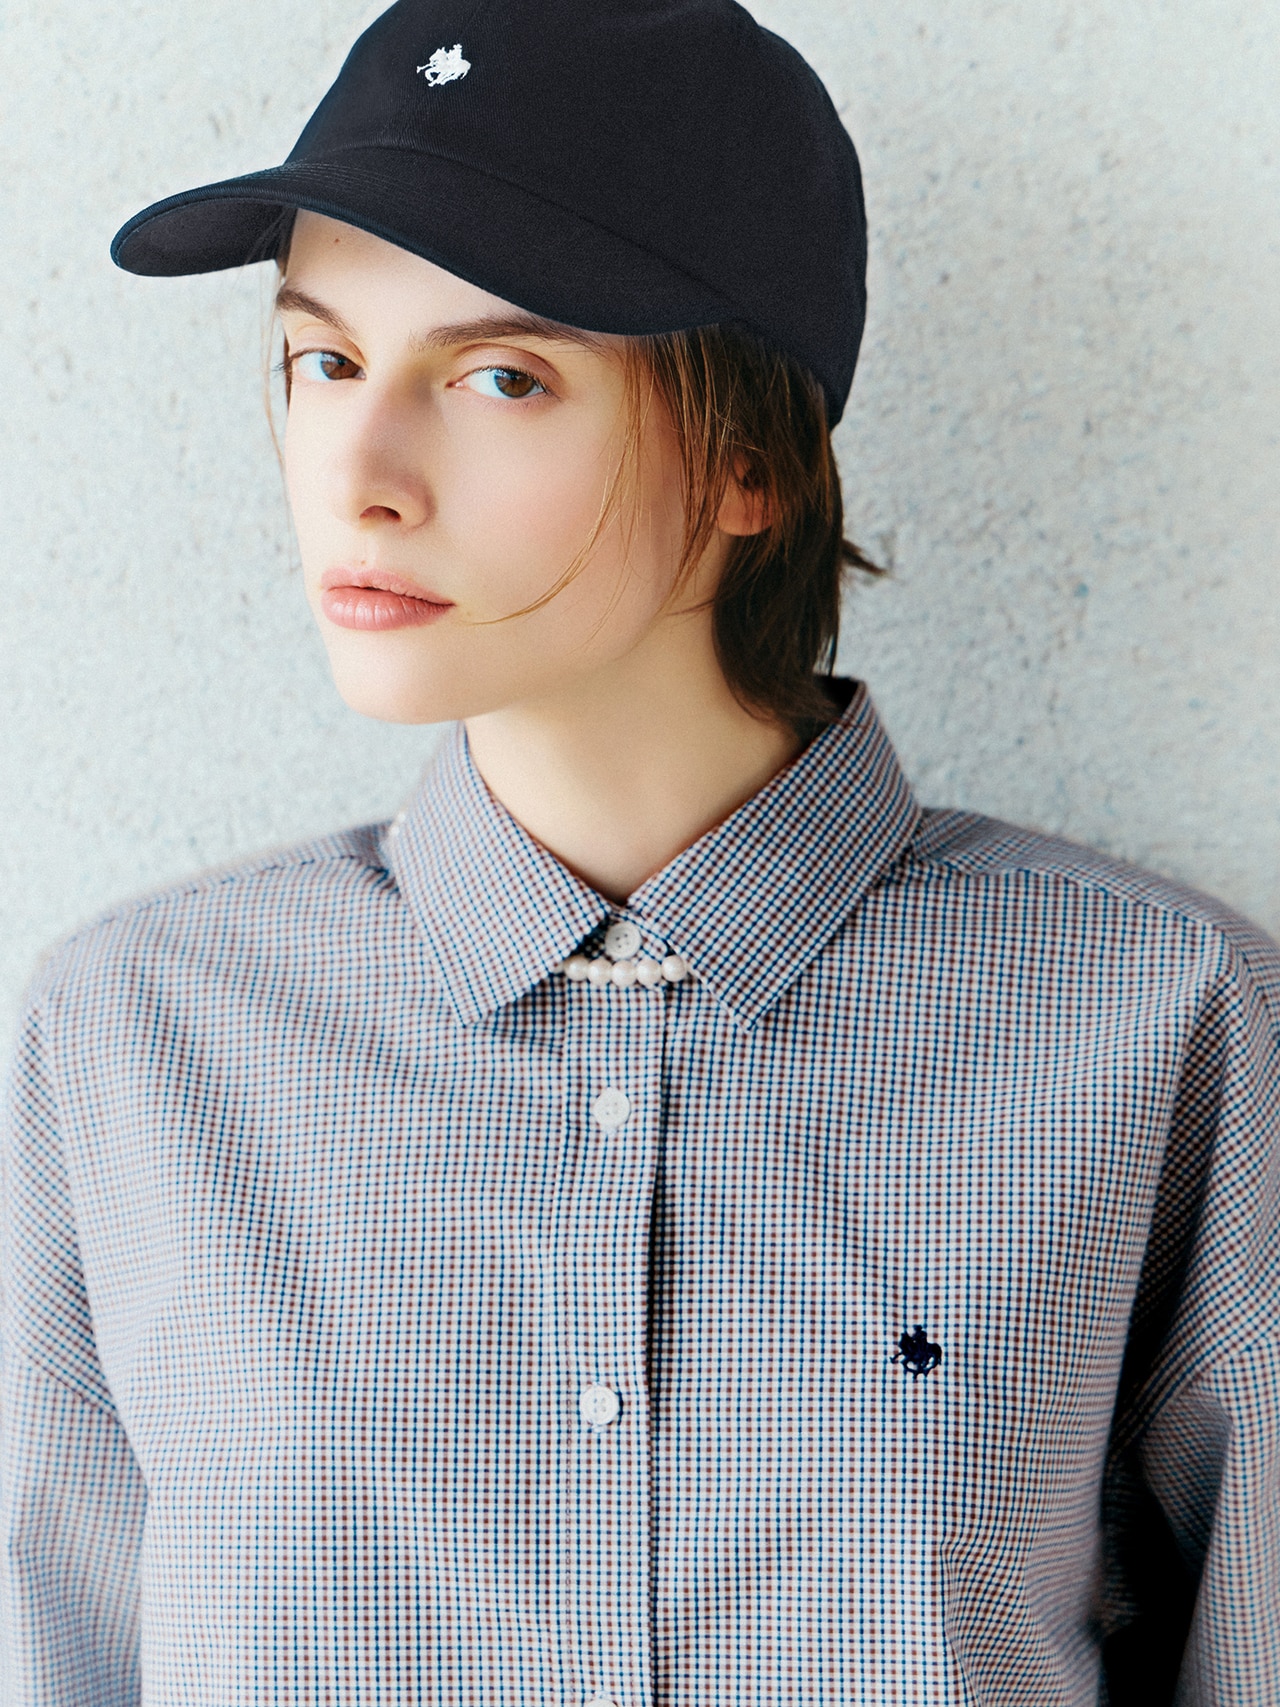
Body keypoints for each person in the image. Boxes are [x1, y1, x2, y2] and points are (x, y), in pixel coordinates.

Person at [3, 1, 1278, 1702]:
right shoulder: (130, 1039)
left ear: (751, 458)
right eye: (323, 362)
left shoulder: (1164, 1018)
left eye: (501, 378)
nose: (361, 477)